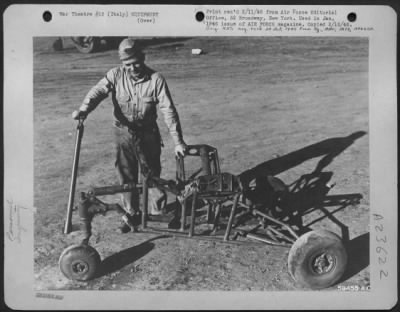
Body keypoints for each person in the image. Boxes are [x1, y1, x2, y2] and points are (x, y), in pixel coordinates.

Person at [73, 38, 187, 233]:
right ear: (122, 64)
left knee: (151, 175)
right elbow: (98, 91)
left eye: (136, 63)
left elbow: (168, 110)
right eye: (128, 64)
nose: (133, 68)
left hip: (148, 134)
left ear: (143, 58)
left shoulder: (155, 79)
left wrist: (178, 142)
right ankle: (130, 215)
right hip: (123, 134)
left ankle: (158, 214)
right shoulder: (115, 75)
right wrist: (84, 109)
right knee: (126, 176)